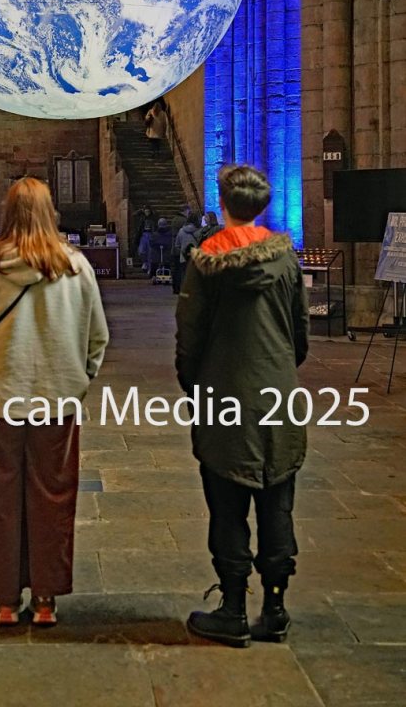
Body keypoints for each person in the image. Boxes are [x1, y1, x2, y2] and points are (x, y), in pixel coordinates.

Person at [0, 177, 109, 627]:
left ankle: (3, 600)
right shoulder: (76, 267)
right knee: (53, 498)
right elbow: (98, 336)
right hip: (58, 401)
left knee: (2, 501)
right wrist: (80, 377)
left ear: (8, 211)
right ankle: (45, 599)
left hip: (0, 399)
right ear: (49, 211)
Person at [175, 164, 309, 648]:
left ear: (224, 202)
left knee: (227, 502)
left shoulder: (206, 262)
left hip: (224, 392)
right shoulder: (286, 260)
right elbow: (299, 334)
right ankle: (274, 607)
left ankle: (233, 608)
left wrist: (195, 384)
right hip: (277, 394)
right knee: (278, 497)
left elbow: (190, 336)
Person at [172, 211, 201, 292]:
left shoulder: (181, 231)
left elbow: (177, 244)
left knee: (184, 274)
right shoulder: (200, 231)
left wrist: (183, 249)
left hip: (184, 257)